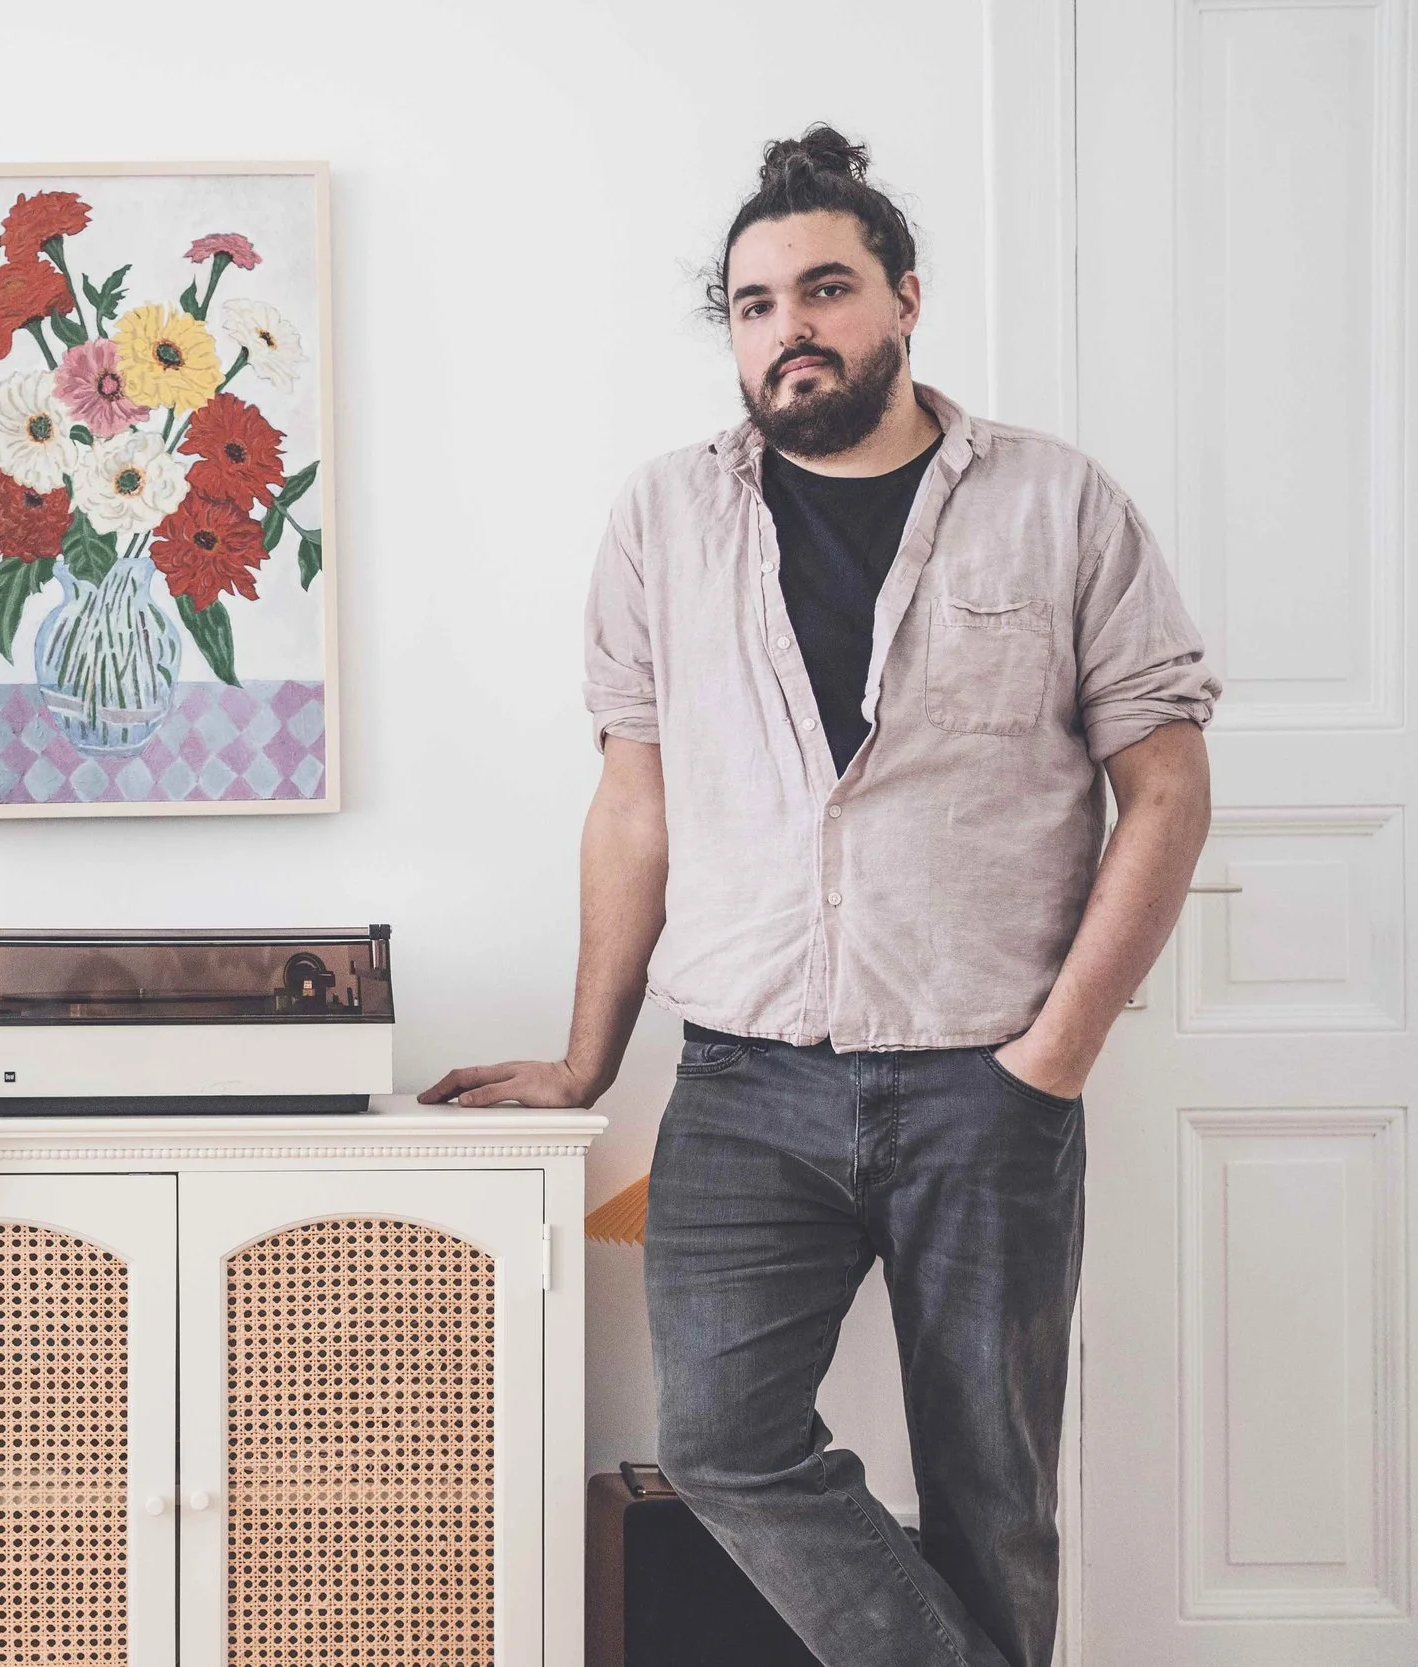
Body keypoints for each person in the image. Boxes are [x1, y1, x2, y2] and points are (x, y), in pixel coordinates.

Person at [422, 128, 1218, 1667]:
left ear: (905, 298)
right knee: (720, 1438)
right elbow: (634, 806)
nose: (790, 326)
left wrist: (1054, 1054)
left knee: (994, 1497)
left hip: (988, 1080)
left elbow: (1168, 791)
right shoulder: (664, 519)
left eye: (826, 288)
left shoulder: (1060, 504)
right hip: (744, 1082)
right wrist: (585, 1062)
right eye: (754, 303)